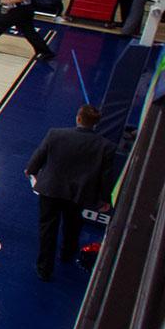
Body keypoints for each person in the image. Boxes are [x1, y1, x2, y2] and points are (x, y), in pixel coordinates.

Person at [25, 105, 118, 281]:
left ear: (78, 118)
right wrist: (105, 199)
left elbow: (39, 155)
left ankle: (44, 269)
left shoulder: (55, 134)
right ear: (95, 124)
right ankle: (67, 255)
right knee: (73, 226)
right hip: (79, 194)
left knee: (48, 228)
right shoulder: (106, 146)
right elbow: (106, 176)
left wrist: (31, 170)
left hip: (51, 189)